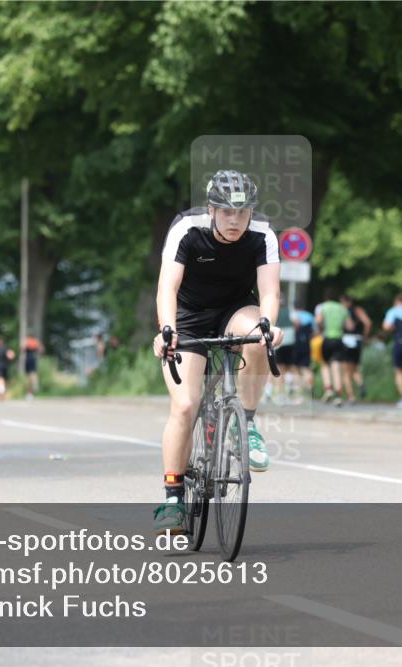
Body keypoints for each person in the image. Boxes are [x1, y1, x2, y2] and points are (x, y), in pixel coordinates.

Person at [151, 169, 282, 534]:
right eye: (226, 212)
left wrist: (270, 324)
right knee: (185, 405)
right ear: (212, 209)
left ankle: (248, 425)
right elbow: (167, 288)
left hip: (235, 310)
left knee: (259, 335)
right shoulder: (186, 229)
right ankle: (174, 498)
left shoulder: (262, 234)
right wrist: (168, 330)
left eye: (242, 212)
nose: (235, 220)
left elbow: (269, 292)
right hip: (188, 317)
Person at [315, 289, 351, 407]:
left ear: (326, 297)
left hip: (326, 339)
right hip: (339, 339)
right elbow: (349, 326)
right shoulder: (342, 308)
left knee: (325, 364)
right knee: (337, 367)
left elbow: (318, 321)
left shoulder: (322, 307)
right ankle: (339, 396)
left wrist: (321, 328)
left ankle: (328, 388)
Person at [340, 294, 372, 402]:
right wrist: (365, 337)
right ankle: (361, 383)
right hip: (358, 340)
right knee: (355, 368)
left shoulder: (342, 311)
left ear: (344, 302)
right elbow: (368, 323)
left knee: (346, 372)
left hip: (345, 340)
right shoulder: (358, 310)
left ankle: (351, 396)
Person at [291, 305, 316, 400]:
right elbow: (315, 331)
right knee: (306, 368)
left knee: (295, 369)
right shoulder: (310, 316)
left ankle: (299, 391)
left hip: (296, 345)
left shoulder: (293, 315)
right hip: (307, 345)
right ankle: (310, 388)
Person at [24, 335, 44, 400]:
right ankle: (35, 384)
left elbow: (22, 349)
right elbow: (41, 350)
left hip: (28, 360)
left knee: (28, 377)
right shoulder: (36, 342)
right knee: (33, 374)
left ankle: (29, 393)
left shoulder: (27, 341)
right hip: (33, 359)